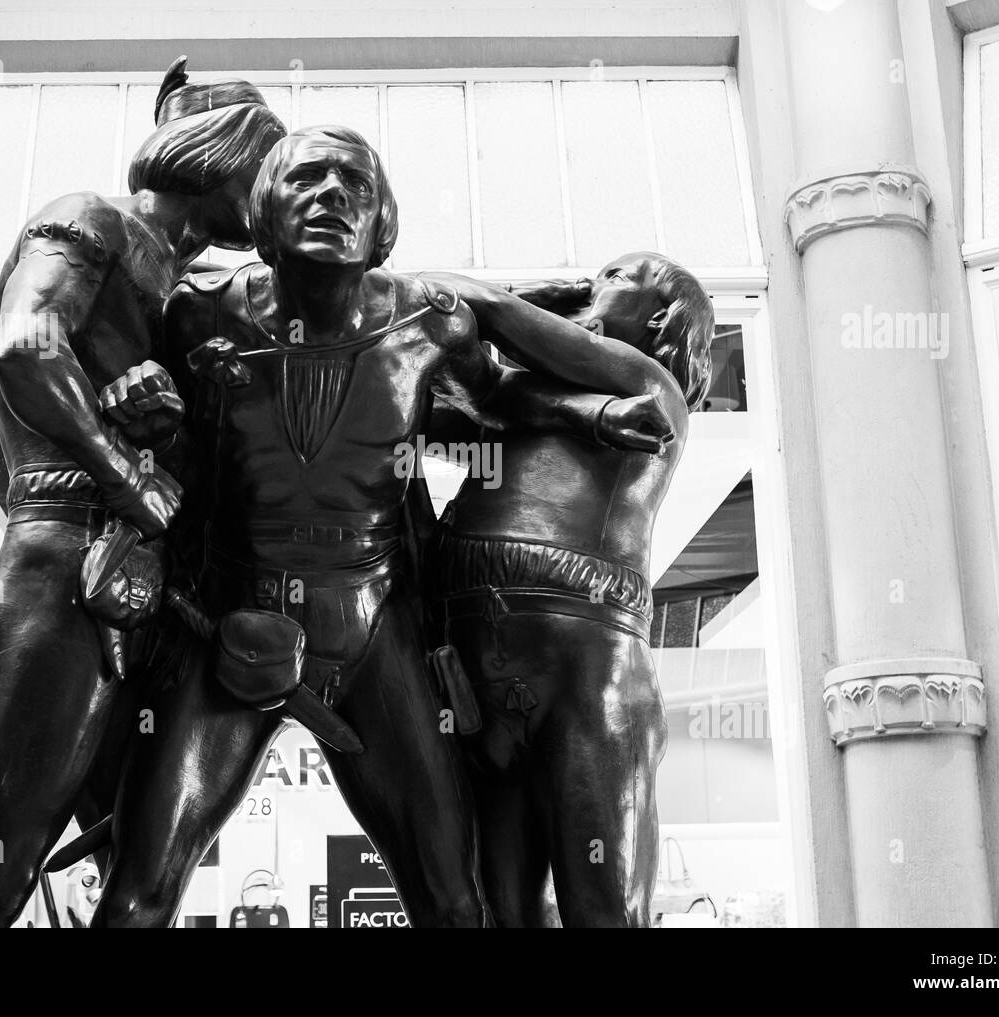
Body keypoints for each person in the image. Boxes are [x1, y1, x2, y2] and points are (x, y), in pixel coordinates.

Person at [91, 126, 671, 927]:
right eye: (308, 178)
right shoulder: (193, 313)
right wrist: (141, 414)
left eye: (354, 183)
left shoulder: (431, 323)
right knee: (137, 892)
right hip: (227, 615)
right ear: (262, 213)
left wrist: (597, 412)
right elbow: (159, 435)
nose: (332, 194)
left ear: (381, 227)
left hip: (375, 623)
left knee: (452, 900)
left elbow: (492, 402)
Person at [0, 58, 286, 928]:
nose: (269, 202)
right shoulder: (91, 221)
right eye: (263, 173)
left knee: (128, 869)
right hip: (67, 556)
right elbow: (24, 344)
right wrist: (125, 468)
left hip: (131, 582)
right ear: (218, 153)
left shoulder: (180, 284)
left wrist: (164, 435)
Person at [422, 252, 714, 927]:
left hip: (587, 674)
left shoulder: (649, 385)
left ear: (661, 316)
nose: (590, 284)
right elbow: (432, 379)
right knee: (506, 911)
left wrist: (534, 294)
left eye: (615, 278)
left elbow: (467, 303)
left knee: (602, 910)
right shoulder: (531, 413)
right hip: (483, 677)